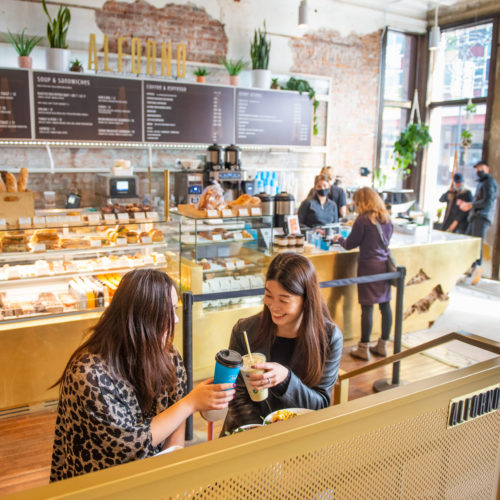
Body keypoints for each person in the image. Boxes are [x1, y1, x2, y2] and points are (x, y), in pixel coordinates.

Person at [50, 269, 235, 481]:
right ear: (141, 317)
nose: (174, 320)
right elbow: (128, 445)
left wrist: (173, 457)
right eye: (167, 311)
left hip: (153, 476)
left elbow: (176, 411)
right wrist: (190, 403)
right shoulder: (89, 374)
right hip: (100, 481)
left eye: (174, 309)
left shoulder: (167, 354)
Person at [221, 252, 343, 434]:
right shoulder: (244, 331)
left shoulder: (329, 338)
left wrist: (286, 379)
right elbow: (236, 398)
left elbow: (320, 404)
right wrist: (263, 434)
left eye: (284, 299)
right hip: (248, 433)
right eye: (269, 296)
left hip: (300, 435)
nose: (274, 306)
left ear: (306, 299)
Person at [333, 187, 393, 361]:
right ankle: (382, 346)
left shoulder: (363, 220)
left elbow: (350, 244)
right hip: (384, 266)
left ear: (362, 201)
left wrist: (338, 239)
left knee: (367, 307)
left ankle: (363, 348)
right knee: (385, 305)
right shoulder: (386, 218)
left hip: (368, 267)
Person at [458, 161, 498, 284]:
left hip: (482, 217)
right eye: (477, 168)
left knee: (476, 244)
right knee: (470, 244)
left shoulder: (489, 183)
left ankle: (477, 269)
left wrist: (471, 205)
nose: (478, 170)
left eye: (481, 168)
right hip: (476, 217)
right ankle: (470, 270)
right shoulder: (483, 183)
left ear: (487, 168)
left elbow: (488, 201)